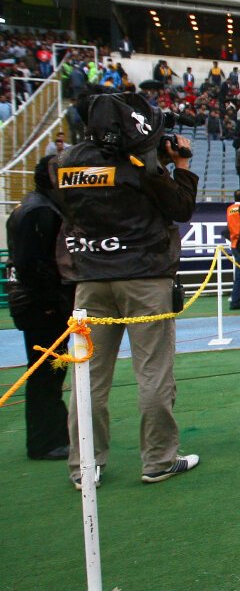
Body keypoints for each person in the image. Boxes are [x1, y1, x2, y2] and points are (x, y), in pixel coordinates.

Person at [52, 91, 200, 487]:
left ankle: (86, 466)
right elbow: (181, 207)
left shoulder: (64, 162)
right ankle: (159, 459)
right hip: (144, 277)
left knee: (87, 377)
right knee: (153, 372)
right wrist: (179, 165)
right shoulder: (140, 164)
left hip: (90, 279)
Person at [6, 156, 73, 460]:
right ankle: (46, 441)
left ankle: (51, 435)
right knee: (46, 373)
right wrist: (52, 302)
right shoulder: (40, 211)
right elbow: (33, 265)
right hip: (41, 304)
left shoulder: (34, 206)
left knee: (48, 372)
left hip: (36, 302)